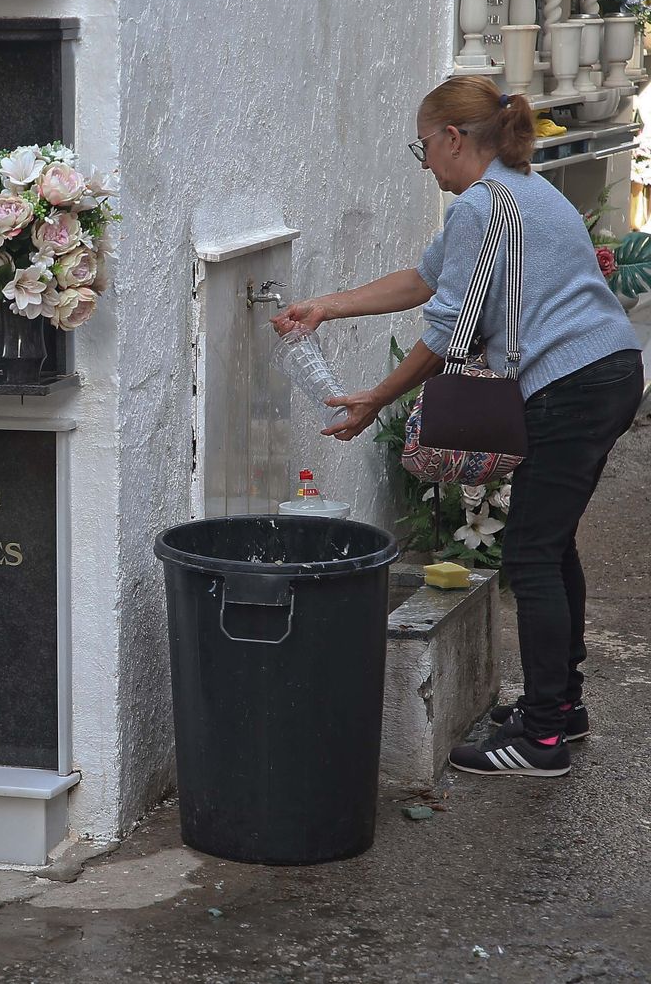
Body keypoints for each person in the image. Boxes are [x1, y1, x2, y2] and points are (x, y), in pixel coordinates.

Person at [273, 75, 642, 779]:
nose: (425, 164)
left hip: (572, 382)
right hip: (606, 369)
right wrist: (328, 306)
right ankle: (560, 707)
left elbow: (447, 330)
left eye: (422, 148)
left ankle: (541, 739)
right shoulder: (516, 192)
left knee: (532, 554)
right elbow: (424, 280)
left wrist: (375, 397)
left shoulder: (482, 206)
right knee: (550, 541)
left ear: (450, 138)